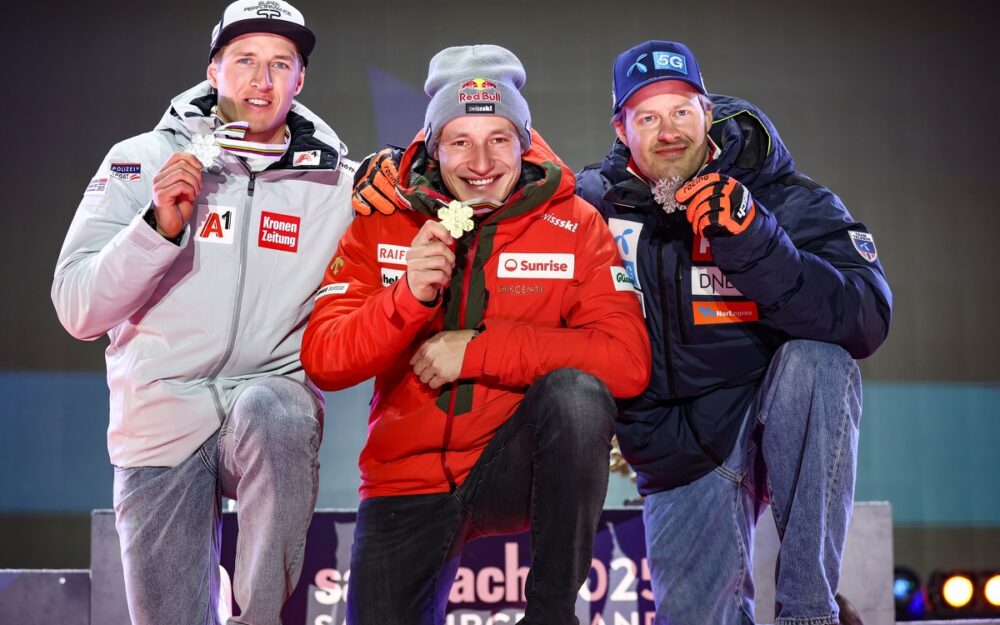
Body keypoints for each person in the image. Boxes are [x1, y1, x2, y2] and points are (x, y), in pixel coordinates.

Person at [301, 44, 651, 625]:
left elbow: (627, 361)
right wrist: (406, 297)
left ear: (525, 142)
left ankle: (551, 615)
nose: (481, 161)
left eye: (499, 139)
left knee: (578, 396)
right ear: (433, 147)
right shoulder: (385, 214)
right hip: (404, 475)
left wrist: (479, 352)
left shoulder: (574, 224)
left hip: (512, 463)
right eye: (460, 141)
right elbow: (324, 359)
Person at [50, 1, 355, 623]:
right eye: (245, 60)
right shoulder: (140, 161)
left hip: (265, 407)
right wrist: (158, 226)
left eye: (280, 64)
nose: (261, 81)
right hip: (160, 414)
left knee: (282, 407)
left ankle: (258, 617)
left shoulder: (338, 186)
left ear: (301, 81)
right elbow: (79, 308)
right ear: (214, 70)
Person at [572, 41, 893, 625]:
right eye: (647, 117)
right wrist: (412, 169)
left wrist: (758, 244)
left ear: (708, 113)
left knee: (820, 359)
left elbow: (867, 317)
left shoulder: (781, 195)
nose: (668, 131)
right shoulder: (591, 207)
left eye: (681, 112)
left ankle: (809, 611)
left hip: (773, 416)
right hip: (679, 450)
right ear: (621, 130)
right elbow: (502, 201)